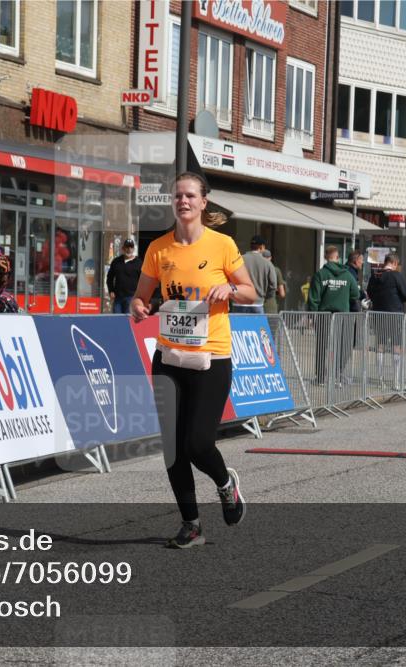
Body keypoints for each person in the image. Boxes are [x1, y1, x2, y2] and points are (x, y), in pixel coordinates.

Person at [130, 171, 257, 549]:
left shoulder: (221, 245)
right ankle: (191, 525)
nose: (183, 201)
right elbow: (140, 296)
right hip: (169, 356)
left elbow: (251, 291)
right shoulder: (158, 249)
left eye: (190, 196)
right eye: (178, 196)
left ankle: (225, 484)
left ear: (204, 202)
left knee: (198, 443)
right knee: (173, 447)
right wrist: (139, 307)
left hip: (211, 358)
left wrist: (231, 288)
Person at [307, 245, 359, 384]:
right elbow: (355, 294)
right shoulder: (347, 275)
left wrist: (312, 316)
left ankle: (320, 377)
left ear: (326, 257)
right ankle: (338, 373)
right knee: (343, 345)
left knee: (322, 346)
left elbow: (314, 298)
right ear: (337, 257)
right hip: (343, 317)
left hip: (324, 316)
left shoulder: (320, 274)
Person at [366, 253, 406, 389]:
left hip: (378, 314)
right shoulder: (396, 276)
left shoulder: (375, 276)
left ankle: (380, 380)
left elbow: (369, 293)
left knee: (380, 345)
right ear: (395, 263)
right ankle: (396, 381)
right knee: (396, 346)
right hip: (394, 315)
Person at [233, 235, 275, 314]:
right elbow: (273, 285)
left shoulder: (239, 259)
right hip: (257, 304)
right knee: (257, 326)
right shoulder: (267, 263)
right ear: (262, 247)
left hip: (239, 303)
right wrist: (264, 298)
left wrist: (234, 294)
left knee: (238, 326)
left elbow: (230, 279)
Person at [106, 238, 141, 314]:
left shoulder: (139, 263)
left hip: (132, 297)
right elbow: (110, 277)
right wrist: (111, 290)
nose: (129, 249)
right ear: (123, 248)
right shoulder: (116, 261)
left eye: (131, 247)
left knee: (128, 320)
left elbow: (143, 280)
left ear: (133, 249)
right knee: (116, 320)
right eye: (127, 247)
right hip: (118, 297)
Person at [262, 249, 286, 314]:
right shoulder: (276, 270)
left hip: (258, 307)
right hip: (271, 308)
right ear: (270, 258)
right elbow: (282, 293)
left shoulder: (257, 270)